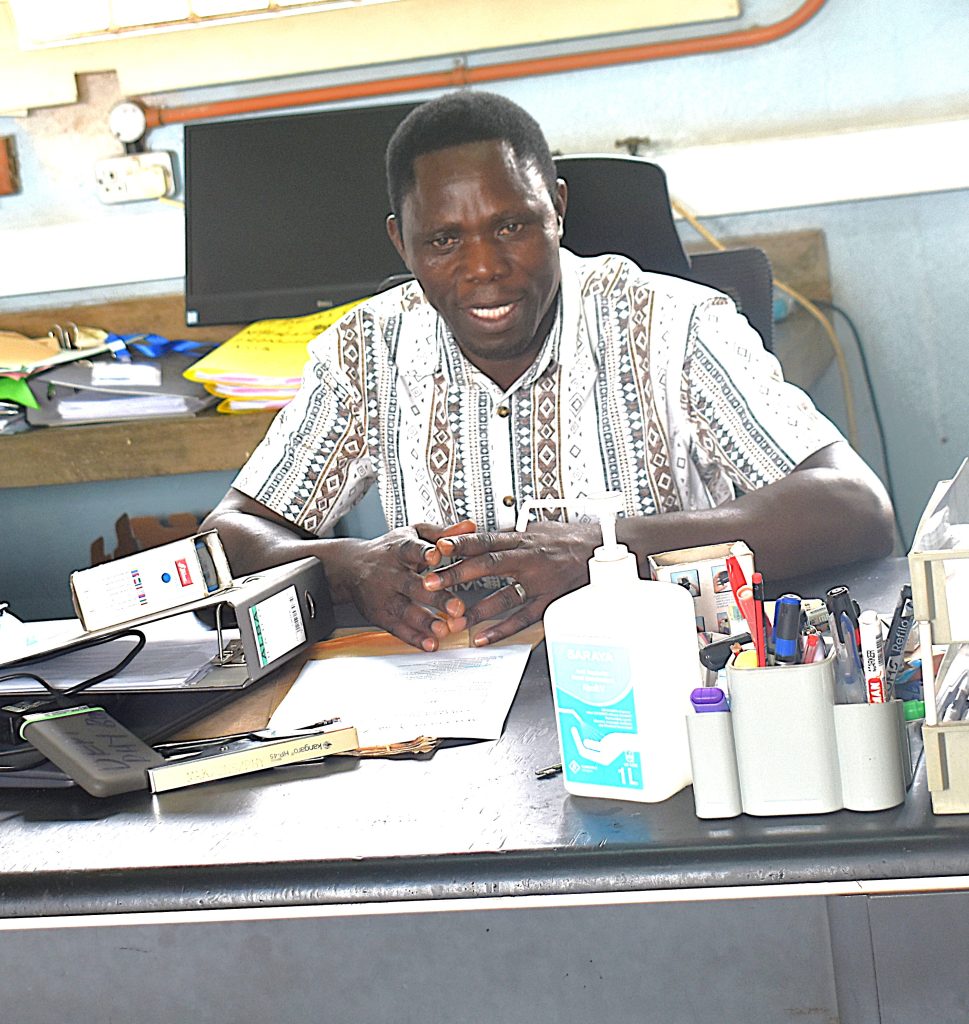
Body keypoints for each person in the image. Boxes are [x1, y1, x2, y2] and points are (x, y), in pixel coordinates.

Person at [201, 91, 894, 652]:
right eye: (443, 240)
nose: (483, 269)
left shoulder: (673, 325)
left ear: (557, 210)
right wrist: (348, 567)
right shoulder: (368, 350)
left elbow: (854, 507)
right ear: (401, 243)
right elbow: (227, 536)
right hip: (458, 714)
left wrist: (611, 552)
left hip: (668, 686)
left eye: (511, 227)